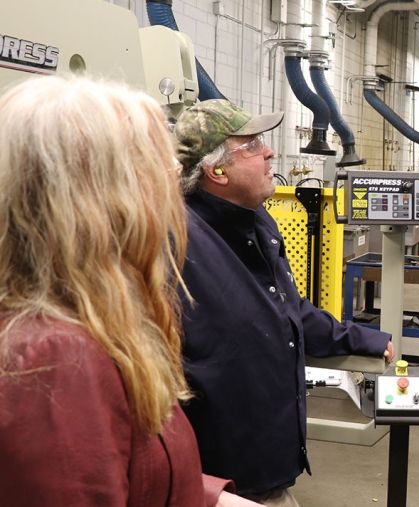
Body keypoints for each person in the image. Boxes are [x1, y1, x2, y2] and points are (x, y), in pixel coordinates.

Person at [0, 76, 260, 506]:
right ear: (97, 200)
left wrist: (212, 498)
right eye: (159, 173)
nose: (174, 195)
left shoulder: (94, 320)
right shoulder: (51, 360)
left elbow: (134, 468)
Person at [173, 99, 394, 505]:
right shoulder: (178, 243)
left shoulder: (258, 222)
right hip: (218, 483)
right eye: (252, 145)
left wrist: (360, 338)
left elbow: (285, 311)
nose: (270, 151)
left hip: (269, 472)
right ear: (216, 170)